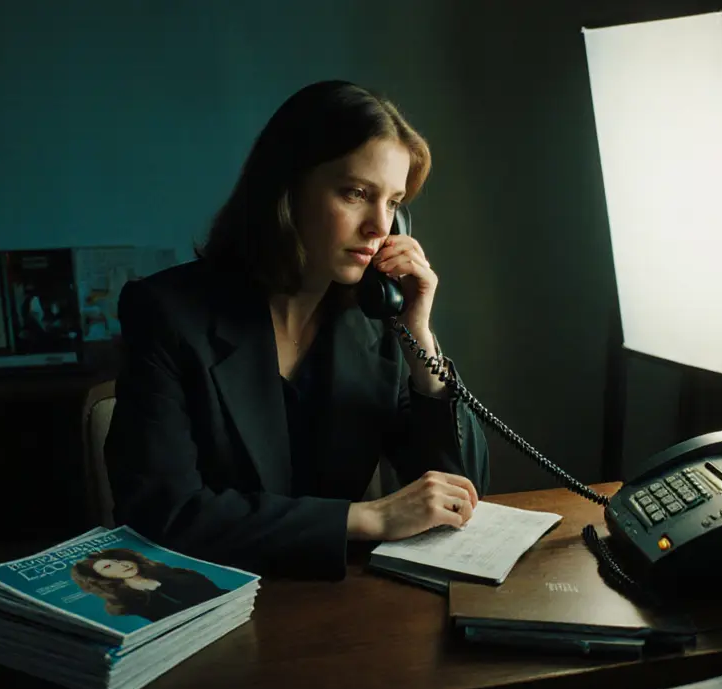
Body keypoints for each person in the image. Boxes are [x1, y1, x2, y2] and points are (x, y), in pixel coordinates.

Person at [104, 79, 491, 581]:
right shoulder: (167, 313)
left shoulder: (376, 327)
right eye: (356, 193)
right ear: (285, 191)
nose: (379, 226)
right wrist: (366, 517)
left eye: (393, 203)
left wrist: (422, 341)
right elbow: (162, 511)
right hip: (211, 604)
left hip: (338, 607)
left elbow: (461, 491)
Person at [70, 548, 226, 623]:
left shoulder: (173, 573)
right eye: (108, 567)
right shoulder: (127, 605)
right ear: (100, 578)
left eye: (118, 560)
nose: (122, 565)